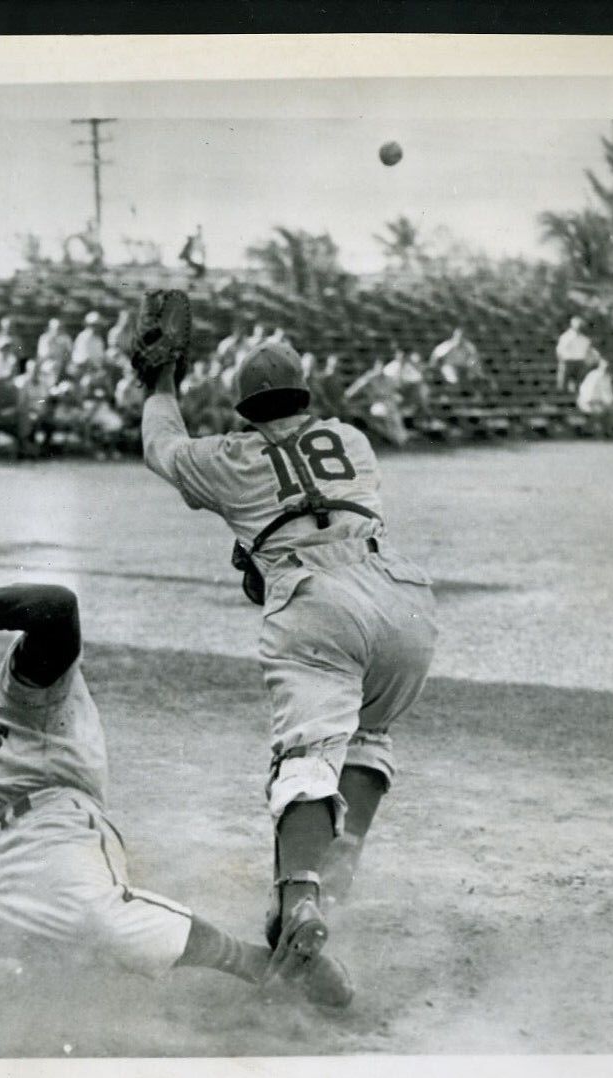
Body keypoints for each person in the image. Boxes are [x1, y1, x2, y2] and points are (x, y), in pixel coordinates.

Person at [0, 580, 353, 1008]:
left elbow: (58, 607)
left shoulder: (26, 686)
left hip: (62, 833)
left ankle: (262, 967)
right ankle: (9, 973)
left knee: (98, 920)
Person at [139, 333, 439, 985]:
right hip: (402, 599)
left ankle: (299, 896)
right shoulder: (352, 440)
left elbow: (160, 445)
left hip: (315, 599)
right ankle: (331, 879)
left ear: (244, 411)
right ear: (307, 395)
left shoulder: (231, 456)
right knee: (366, 733)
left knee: (305, 753)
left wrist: (159, 383)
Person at [576, 356, 613, 436]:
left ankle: (608, 431)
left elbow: (608, 392)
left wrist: (609, 403)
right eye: (604, 365)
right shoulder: (593, 375)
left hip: (601, 402)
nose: (606, 367)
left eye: (608, 365)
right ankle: (592, 431)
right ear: (600, 365)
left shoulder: (608, 377)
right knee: (600, 411)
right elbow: (587, 391)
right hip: (588, 401)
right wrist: (593, 402)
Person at [555, 316, 594, 396]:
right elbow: (560, 350)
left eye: (580, 325)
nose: (579, 327)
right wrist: (562, 362)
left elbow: (588, 351)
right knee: (563, 385)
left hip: (580, 363)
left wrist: (587, 361)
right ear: (572, 325)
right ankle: (562, 401)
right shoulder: (565, 337)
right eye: (577, 325)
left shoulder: (585, 339)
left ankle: (576, 401)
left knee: (579, 384)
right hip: (568, 362)